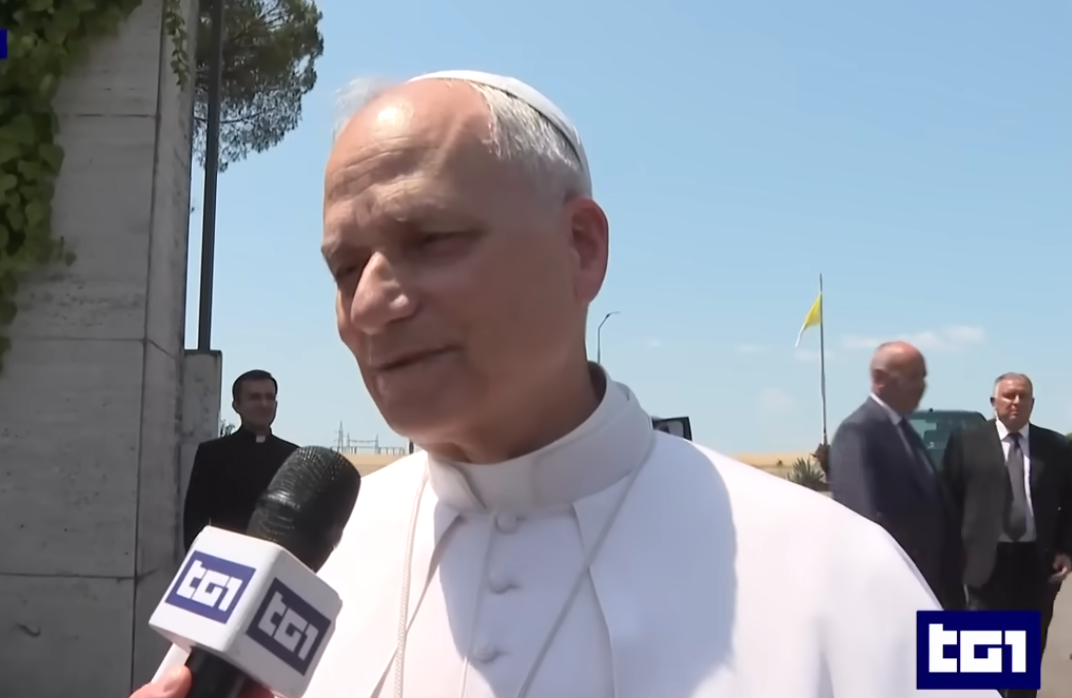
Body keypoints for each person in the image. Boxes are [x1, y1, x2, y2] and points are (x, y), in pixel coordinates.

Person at [133, 73, 997, 698]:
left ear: (581, 248)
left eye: (430, 239)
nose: (369, 304)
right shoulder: (296, 574)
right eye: (345, 267)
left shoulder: (845, 575)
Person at [942, 372, 1072, 698]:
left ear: (1032, 403)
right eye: (1008, 395)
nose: (1015, 402)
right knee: (984, 659)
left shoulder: (1055, 447)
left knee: (1026, 657)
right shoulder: (966, 443)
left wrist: (1066, 549)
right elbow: (947, 502)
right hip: (983, 565)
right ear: (993, 402)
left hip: (1036, 565)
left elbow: (1070, 503)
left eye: (1022, 396)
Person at [826, 341, 964, 610]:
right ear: (880, 379)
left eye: (924, 377)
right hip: (896, 592)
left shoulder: (904, 430)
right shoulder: (859, 432)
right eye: (913, 377)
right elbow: (863, 517)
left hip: (931, 587)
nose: (922, 386)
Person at [182, 369, 298, 550]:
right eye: (255, 397)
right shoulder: (213, 454)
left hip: (279, 559)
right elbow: (195, 520)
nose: (264, 404)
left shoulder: (294, 456)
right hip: (227, 557)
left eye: (269, 397)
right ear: (237, 405)